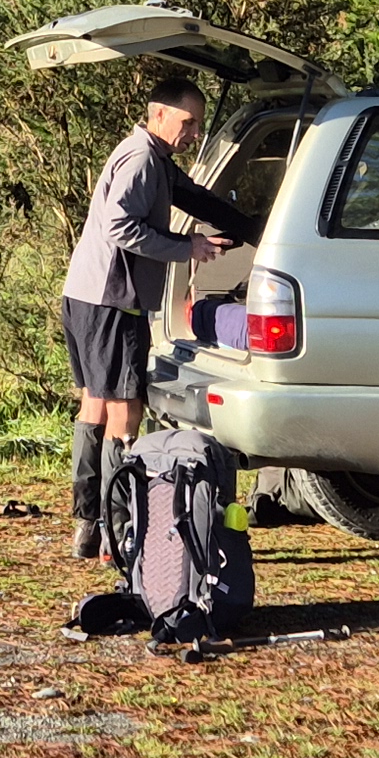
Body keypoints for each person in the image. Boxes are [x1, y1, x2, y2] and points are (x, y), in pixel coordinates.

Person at [57, 60, 257, 560]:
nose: (193, 132)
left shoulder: (150, 156)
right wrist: (186, 248)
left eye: (198, 124)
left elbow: (194, 196)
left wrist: (250, 227)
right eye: (187, 122)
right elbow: (120, 228)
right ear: (159, 115)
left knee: (94, 408)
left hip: (84, 296)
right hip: (114, 302)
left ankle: (88, 526)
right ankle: (118, 528)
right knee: (124, 415)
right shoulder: (143, 160)